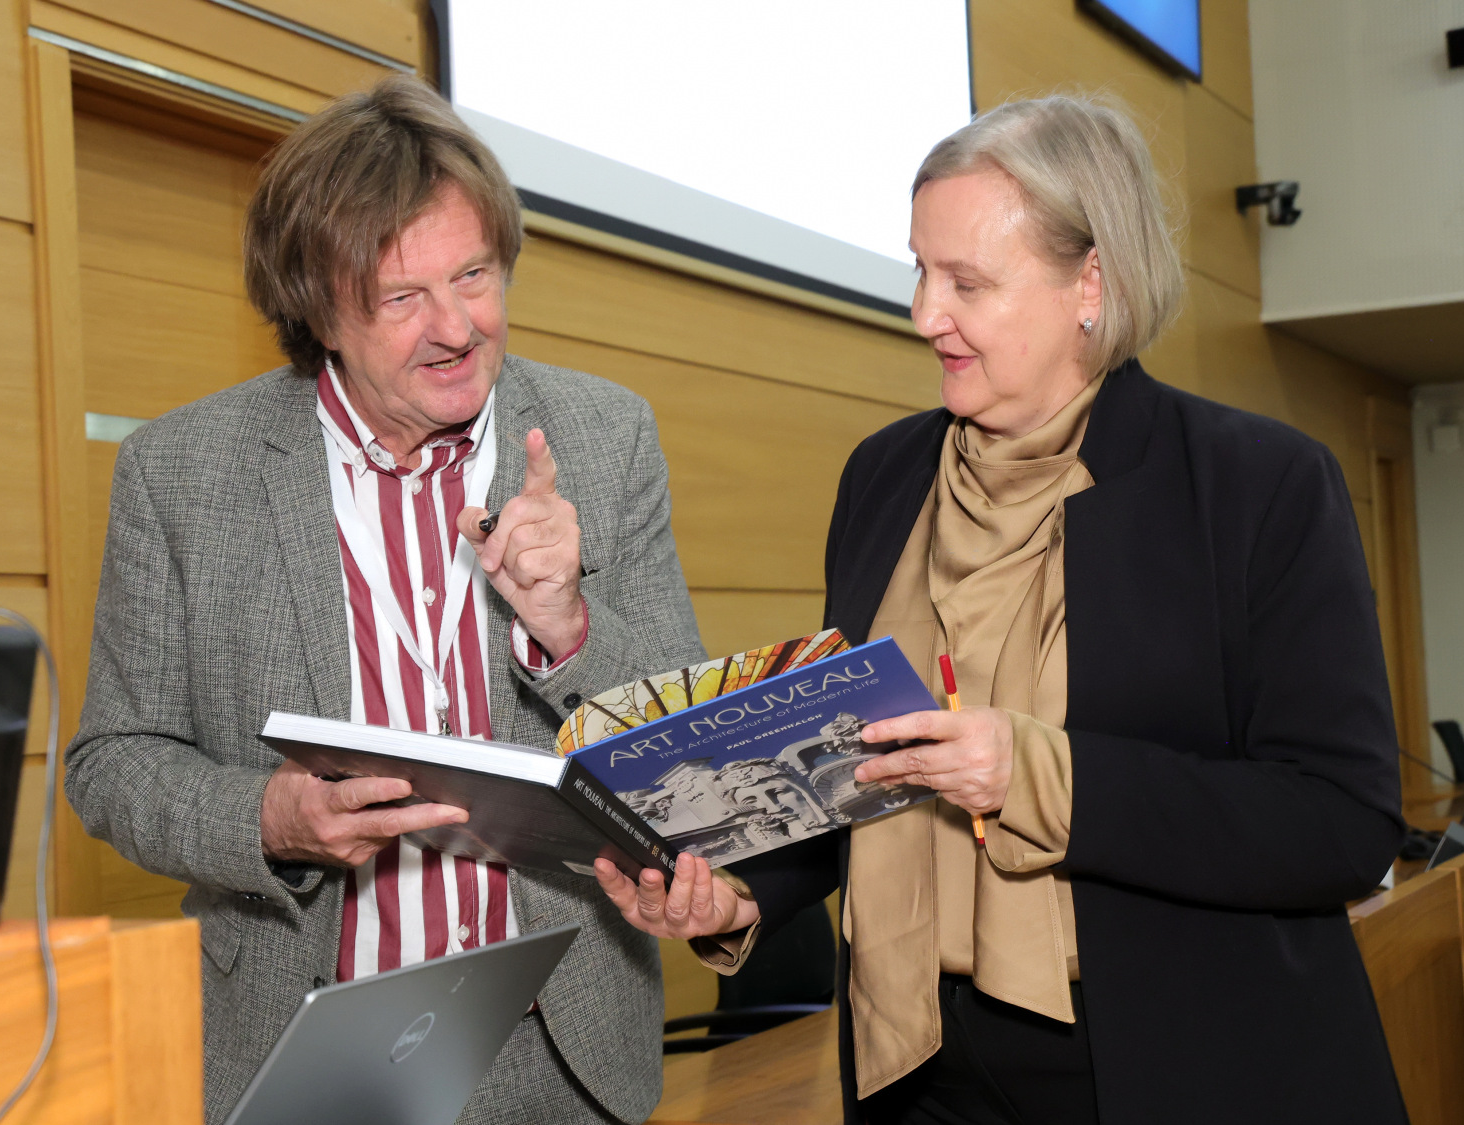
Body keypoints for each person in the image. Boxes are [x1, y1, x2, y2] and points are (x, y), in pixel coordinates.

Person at [596, 95, 1407, 1124]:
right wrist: (742, 888)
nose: (924, 314)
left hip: (1177, 1062)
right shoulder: (884, 476)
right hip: (917, 1065)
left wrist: (1034, 773)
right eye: (919, 270)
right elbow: (855, 769)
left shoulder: (1258, 485)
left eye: (967, 282)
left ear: (1091, 284)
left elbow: (1341, 823)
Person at [66, 74, 705, 1125]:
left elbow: (688, 748)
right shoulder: (179, 473)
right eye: (403, 297)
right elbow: (114, 760)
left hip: (562, 1044)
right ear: (318, 308)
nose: (458, 328)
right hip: (308, 1043)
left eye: (474, 275)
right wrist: (269, 817)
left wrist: (568, 624)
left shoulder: (606, 436)